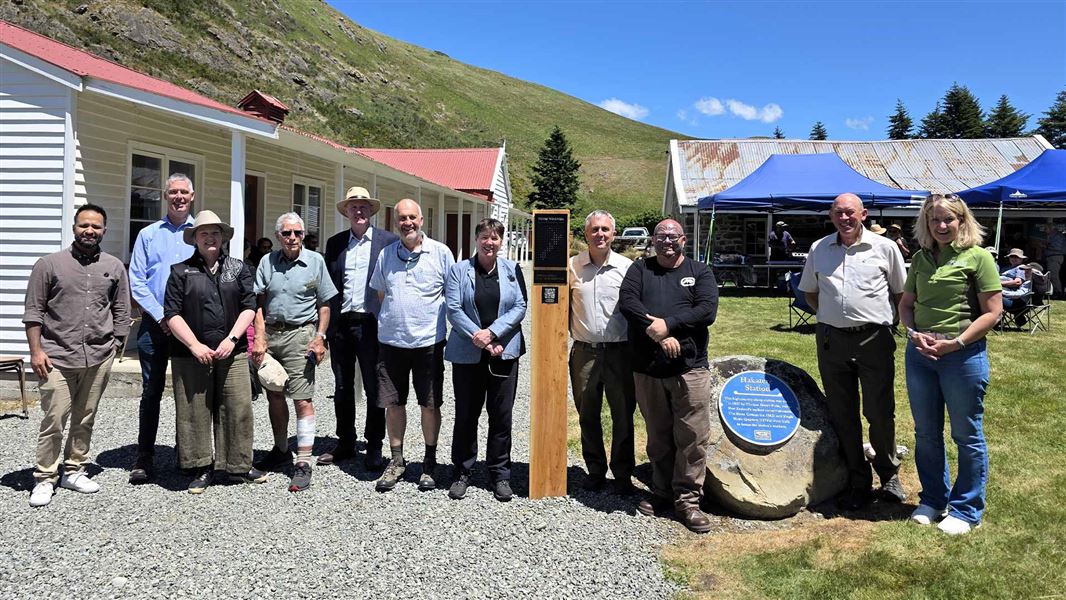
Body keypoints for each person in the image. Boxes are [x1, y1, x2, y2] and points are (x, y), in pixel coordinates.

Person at [899, 193, 1002, 536]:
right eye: (935, 220)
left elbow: (992, 312)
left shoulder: (978, 258)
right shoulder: (920, 259)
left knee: (966, 434)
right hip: (921, 356)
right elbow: (907, 304)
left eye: (948, 219)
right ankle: (933, 500)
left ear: (962, 221)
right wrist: (913, 333)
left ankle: (967, 509)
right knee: (926, 433)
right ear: (926, 224)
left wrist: (955, 343)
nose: (942, 226)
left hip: (962, 355)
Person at [798, 193, 908, 510]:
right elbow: (811, 294)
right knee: (842, 413)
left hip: (874, 339)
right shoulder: (819, 249)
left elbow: (900, 293)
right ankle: (857, 480)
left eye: (850, 212)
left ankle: (888, 476)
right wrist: (835, 319)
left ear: (863, 214)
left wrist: (880, 324)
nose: (844, 218)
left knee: (879, 410)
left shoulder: (885, 248)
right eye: (838, 213)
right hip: (832, 341)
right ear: (831, 216)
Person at [25, 204, 130, 507]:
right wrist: (36, 351)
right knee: (55, 417)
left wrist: (116, 346)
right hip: (56, 355)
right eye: (84, 225)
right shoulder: (49, 264)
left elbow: (121, 308)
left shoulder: (113, 266)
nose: (90, 231)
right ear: (74, 227)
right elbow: (34, 312)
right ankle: (45, 477)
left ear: (104, 230)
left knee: (85, 416)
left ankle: (74, 469)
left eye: (96, 226)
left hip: (98, 355)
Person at [618, 219, 719, 533]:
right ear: (654, 240)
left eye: (673, 236)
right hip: (649, 368)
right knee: (659, 436)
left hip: (690, 369)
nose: (666, 241)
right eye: (661, 236)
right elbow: (628, 303)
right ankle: (661, 492)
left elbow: (706, 311)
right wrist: (659, 334)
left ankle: (688, 501)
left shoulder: (699, 272)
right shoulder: (640, 269)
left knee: (692, 437)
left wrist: (670, 323)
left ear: (683, 240)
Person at [163, 211, 263, 493]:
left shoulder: (238, 268)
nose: (210, 238)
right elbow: (171, 313)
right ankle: (200, 467)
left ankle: (237, 465)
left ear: (223, 237)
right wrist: (194, 345)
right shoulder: (180, 271)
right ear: (194, 238)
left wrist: (232, 338)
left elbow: (248, 305)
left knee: (237, 407)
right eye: (204, 233)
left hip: (233, 350)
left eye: (215, 233)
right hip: (190, 354)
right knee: (194, 410)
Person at [369, 198, 456, 493]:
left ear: (421, 220)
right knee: (393, 403)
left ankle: (429, 463)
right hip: (392, 342)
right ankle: (397, 460)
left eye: (412, 217)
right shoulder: (385, 255)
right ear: (396, 222)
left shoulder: (441, 253)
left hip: (428, 343)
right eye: (401, 218)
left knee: (429, 403)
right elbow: (382, 294)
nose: (407, 223)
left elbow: (452, 295)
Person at [251, 213, 337, 492]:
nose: (292, 238)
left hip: (302, 335)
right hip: (272, 335)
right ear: (278, 236)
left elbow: (324, 304)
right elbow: (259, 303)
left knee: (302, 398)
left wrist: (320, 338)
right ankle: (279, 449)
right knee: (274, 393)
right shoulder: (267, 262)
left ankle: (302, 460)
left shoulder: (315, 261)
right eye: (287, 233)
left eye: (297, 233)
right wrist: (260, 338)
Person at [444, 218, 527, 501]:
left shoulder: (513, 270)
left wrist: (493, 334)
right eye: (484, 237)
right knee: (467, 415)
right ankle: (463, 471)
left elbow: (520, 306)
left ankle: (499, 474)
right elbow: (453, 309)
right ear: (476, 239)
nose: (489, 242)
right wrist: (477, 337)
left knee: (501, 416)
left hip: (503, 352)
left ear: (501, 241)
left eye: (495, 237)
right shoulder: (459, 270)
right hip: (468, 353)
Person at [321, 186, 398, 469]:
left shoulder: (387, 242)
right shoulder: (335, 243)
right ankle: (346, 442)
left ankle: (375, 444)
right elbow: (329, 286)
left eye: (364, 206)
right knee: (342, 387)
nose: (359, 211)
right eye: (353, 206)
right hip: (341, 325)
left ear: (371, 210)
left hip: (371, 324)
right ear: (346, 212)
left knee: (374, 386)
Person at [127, 173, 195, 484]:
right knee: (151, 392)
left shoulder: (201, 233)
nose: (179, 197)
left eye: (184, 192)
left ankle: (189, 452)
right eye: (173, 192)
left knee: (189, 392)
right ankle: (145, 455)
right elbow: (136, 281)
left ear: (192, 196)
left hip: (191, 328)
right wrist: (162, 316)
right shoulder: (148, 234)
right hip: (154, 327)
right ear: (165, 196)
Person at [568, 210, 636, 495]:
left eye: (605, 230)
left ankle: (622, 474)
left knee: (623, 414)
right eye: (594, 229)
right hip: (585, 352)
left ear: (614, 233)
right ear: (586, 234)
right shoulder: (571, 267)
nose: (600, 234)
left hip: (620, 351)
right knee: (587, 414)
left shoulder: (628, 268)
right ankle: (595, 470)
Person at [1042, 220, 1064, 298]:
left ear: (1051, 228)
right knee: (1051, 275)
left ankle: (1058, 292)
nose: (1045, 230)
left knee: (1054, 275)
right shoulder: (1051, 236)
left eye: (1046, 228)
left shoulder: (1057, 236)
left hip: (1055, 257)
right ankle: (1054, 291)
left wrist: (1046, 246)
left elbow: (1058, 248)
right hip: (1051, 257)